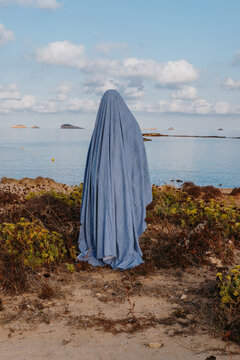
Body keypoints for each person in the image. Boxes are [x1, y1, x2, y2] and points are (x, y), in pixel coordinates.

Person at [76, 89, 152, 270]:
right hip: (122, 182)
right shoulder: (131, 125)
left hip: (100, 182)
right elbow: (138, 159)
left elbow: (91, 165)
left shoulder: (99, 130)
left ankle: (102, 248)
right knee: (121, 212)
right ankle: (119, 248)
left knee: (103, 211)